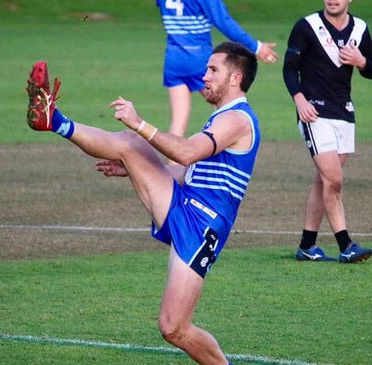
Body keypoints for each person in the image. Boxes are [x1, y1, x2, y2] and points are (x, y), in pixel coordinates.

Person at [26, 41, 259, 365]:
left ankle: (55, 120)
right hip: (190, 206)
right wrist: (139, 168)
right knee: (130, 148)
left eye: (212, 70)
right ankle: (54, 120)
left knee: (174, 327)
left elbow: (188, 152)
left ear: (235, 78)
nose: (204, 76)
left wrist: (140, 123)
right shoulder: (224, 117)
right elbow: (188, 169)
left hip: (203, 222)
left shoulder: (237, 120)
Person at [283, 0, 372, 263]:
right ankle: (346, 246)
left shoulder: (360, 29)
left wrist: (362, 61)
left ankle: (307, 246)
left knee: (324, 180)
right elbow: (290, 69)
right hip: (315, 114)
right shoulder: (307, 26)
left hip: (344, 113)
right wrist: (300, 100)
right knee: (334, 180)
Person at [155, 0, 278, 142]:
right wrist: (256, 47)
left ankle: (173, 165)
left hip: (174, 60)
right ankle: (227, 156)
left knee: (178, 122)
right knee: (227, 110)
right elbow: (224, 22)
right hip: (200, 61)